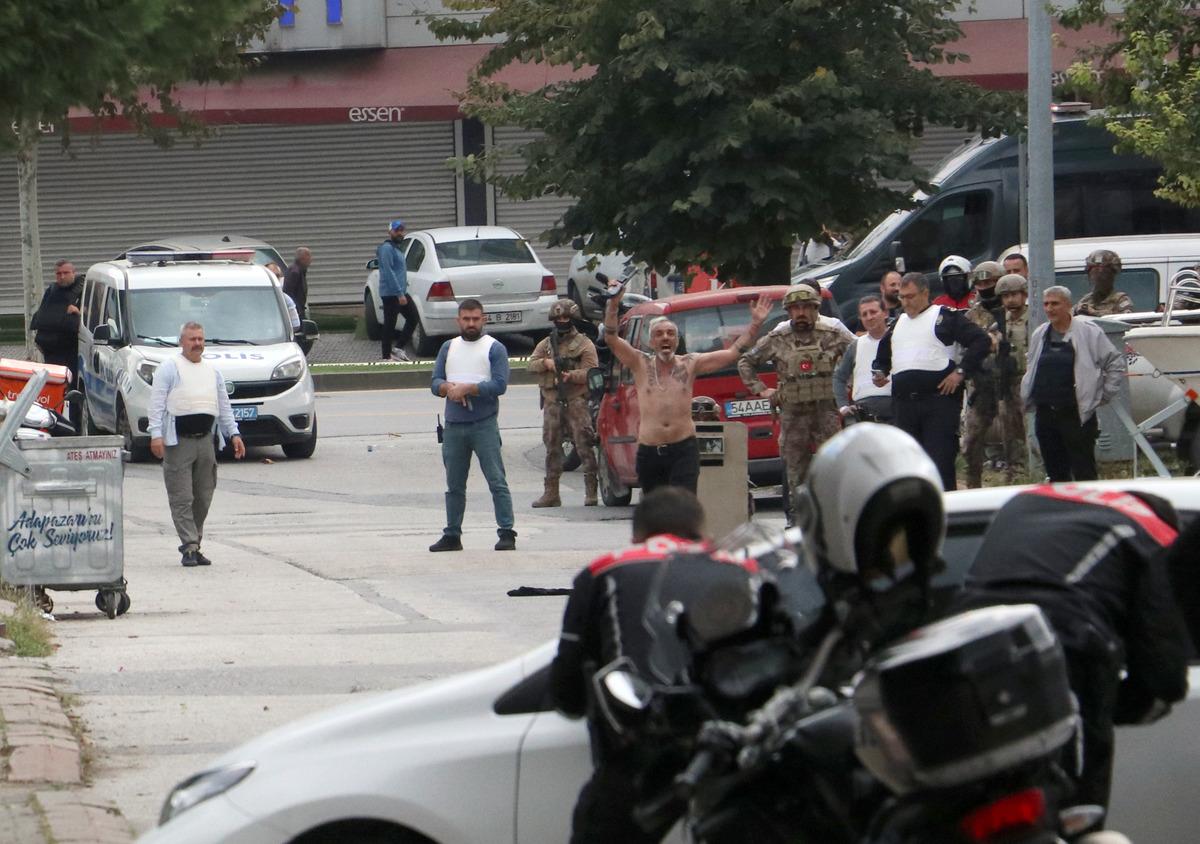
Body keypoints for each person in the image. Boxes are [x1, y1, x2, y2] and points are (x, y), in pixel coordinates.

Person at [954, 485, 1190, 814]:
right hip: (1067, 645)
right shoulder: (1157, 535)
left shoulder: (1030, 498)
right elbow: (1163, 662)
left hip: (971, 645)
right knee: (1074, 808)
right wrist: (1119, 704)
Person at [550, 487, 747, 844]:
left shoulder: (604, 570)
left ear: (637, 536)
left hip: (640, 760)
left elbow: (566, 689)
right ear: (702, 532)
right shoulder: (742, 569)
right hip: (739, 761)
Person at [604, 286, 771, 494]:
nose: (665, 337)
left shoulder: (690, 363)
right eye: (659, 334)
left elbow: (732, 353)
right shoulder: (640, 363)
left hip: (683, 449)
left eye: (670, 334)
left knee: (683, 505)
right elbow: (611, 338)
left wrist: (755, 325)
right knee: (657, 507)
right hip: (650, 451)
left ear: (677, 340)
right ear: (651, 341)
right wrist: (613, 305)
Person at [739, 286, 850, 519]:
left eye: (806, 307)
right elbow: (746, 362)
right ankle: (799, 519)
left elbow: (859, 354)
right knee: (796, 473)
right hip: (793, 416)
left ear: (815, 309)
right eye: (796, 308)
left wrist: (847, 383)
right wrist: (761, 390)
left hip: (825, 413)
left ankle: (835, 519)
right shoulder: (778, 339)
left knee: (834, 469)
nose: (801, 312)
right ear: (789, 311)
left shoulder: (832, 335)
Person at [872, 272, 990, 490]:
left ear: (925, 293)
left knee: (940, 463)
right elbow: (882, 357)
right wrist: (879, 372)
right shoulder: (898, 324)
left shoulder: (944, 317)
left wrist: (960, 372)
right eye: (902, 297)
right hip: (904, 406)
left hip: (938, 403)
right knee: (909, 468)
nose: (905, 302)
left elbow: (980, 341)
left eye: (910, 296)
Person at [147, 322, 246, 567]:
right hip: (178, 443)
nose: (197, 344)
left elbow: (224, 406)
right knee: (182, 497)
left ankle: (195, 543)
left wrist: (234, 434)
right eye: (192, 339)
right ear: (182, 342)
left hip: (205, 442)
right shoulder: (169, 368)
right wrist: (156, 435)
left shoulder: (212, 371)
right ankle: (189, 546)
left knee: (203, 496)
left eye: (200, 339)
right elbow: (156, 404)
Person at [429, 298, 515, 552]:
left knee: (496, 481)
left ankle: (507, 532)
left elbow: (500, 384)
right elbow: (435, 381)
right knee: (454, 485)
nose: (471, 323)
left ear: (483, 319)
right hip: (454, 427)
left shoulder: (494, 348)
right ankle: (452, 534)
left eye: (475, 319)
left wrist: (470, 389)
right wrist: (447, 388)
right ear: (458, 320)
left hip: (484, 425)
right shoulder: (448, 347)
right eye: (466, 319)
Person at [1021, 286, 1125, 482]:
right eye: (1046, 304)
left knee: (1084, 471)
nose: (1049, 309)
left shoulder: (1089, 331)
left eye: (1055, 304)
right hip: (1045, 414)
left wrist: (1104, 394)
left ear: (1068, 305)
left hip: (1076, 415)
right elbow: (1031, 366)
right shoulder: (1040, 334)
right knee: (1055, 473)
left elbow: (1114, 362)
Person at [529, 299, 599, 507]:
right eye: (558, 318)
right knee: (552, 446)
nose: (561, 321)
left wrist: (571, 376)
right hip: (552, 401)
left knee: (584, 443)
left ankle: (591, 491)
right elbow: (531, 365)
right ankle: (551, 493)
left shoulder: (584, 344)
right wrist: (546, 363)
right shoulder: (546, 344)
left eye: (566, 317)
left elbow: (591, 371)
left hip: (575, 400)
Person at [960, 260, 1007, 488]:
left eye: (990, 282)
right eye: (980, 283)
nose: (985, 287)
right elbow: (963, 350)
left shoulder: (1014, 310)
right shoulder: (970, 317)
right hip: (980, 385)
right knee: (972, 442)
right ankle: (973, 486)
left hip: (1011, 384)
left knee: (1016, 442)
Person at [987, 273, 1032, 483]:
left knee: (1029, 424)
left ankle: (1036, 465)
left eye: (1014, 295)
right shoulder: (998, 323)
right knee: (1008, 424)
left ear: (1024, 294)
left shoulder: (1033, 318)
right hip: (1008, 380)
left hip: (1027, 378)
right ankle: (1015, 467)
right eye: (1005, 296)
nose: (1010, 300)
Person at [833, 294, 893, 424]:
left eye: (873, 312)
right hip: (864, 414)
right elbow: (839, 377)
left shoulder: (898, 339)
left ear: (885, 313)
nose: (869, 317)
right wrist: (843, 406)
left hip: (895, 410)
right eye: (864, 314)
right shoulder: (856, 345)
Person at [376, 220, 420, 362]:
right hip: (391, 294)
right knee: (390, 324)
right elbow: (388, 272)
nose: (400, 233)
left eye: (401, 230)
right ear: (390, 232)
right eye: (397, 231)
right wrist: (399, 293)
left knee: (413, 318)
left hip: (400, 291)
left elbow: (398, 270)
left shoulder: (397, 249)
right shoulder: (386, 248)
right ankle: (386, 356)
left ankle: (398, 348)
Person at [31, 259, 83, 373]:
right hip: (50, 349)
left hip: (72, 348)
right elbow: (42, 315)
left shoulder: (82, 291)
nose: (62, 277)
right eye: (59, 274)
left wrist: (78, 312)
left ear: (73, 273)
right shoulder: (52, 290)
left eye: (66, 273)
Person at [1075, 249, 1133, 317]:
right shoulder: (1085, 300)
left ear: (1112, 276)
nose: (1099, 278)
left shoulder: (1120, 300)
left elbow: (1125, 319)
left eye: (1104, 273)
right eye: (1095, 272)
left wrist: (1094, 313)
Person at [282, 247, 312, 318]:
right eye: (309, 256)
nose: (311, 260)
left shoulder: (299, 270)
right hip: (296, 312)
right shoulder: (295, 272)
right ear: (303, 258)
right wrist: (297, 309)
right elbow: (288, 292)